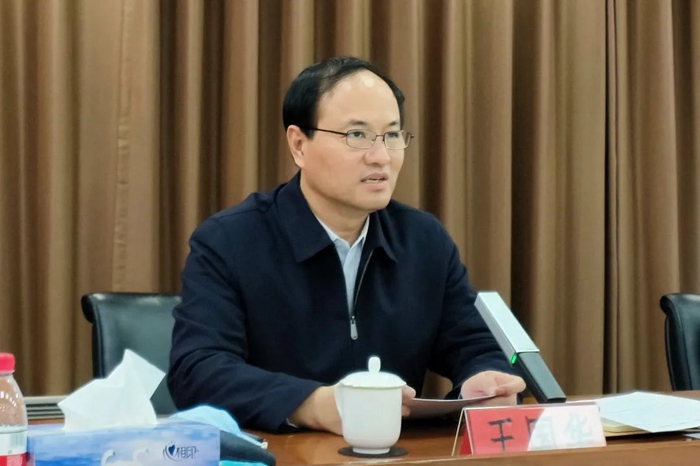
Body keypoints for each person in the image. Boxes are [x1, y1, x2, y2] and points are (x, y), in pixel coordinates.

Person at [168, 56, 525, 435]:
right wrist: (310, 404)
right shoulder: (230, 241)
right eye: (357, 135)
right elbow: (197, 370)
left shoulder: (423, 241)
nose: (381, 156)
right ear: (299, 145)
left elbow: (475, 345)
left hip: (394, 455)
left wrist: (482, 379)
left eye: (392, 135)